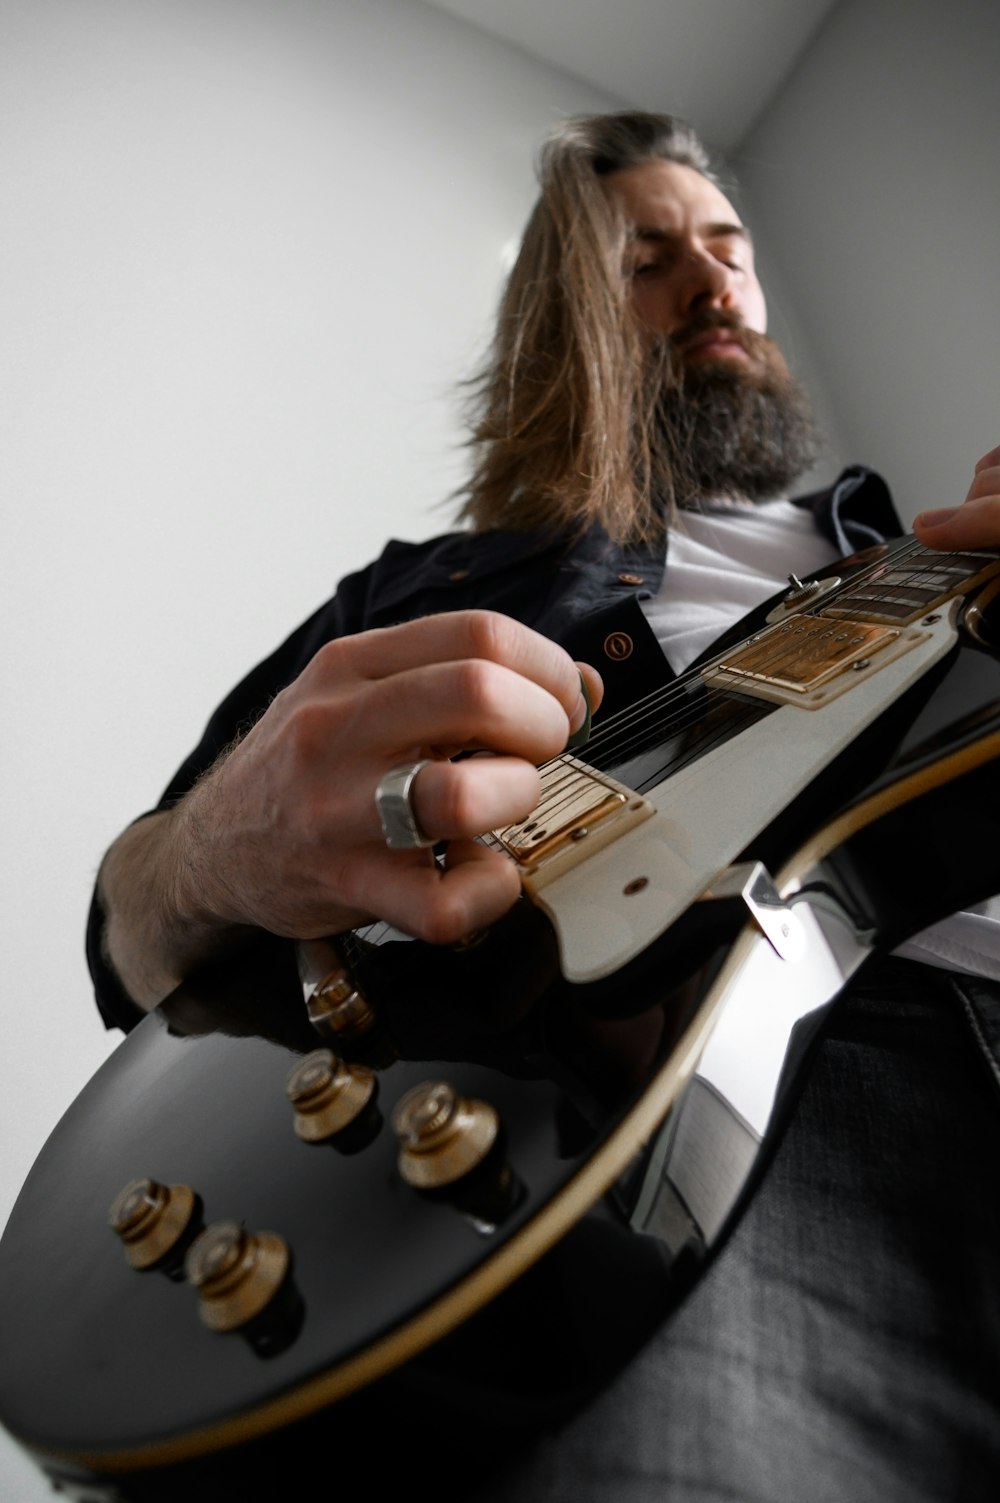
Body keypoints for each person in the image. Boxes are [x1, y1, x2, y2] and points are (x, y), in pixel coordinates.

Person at [89, 113, 1000, 1498]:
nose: (714, 283)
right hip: (726, 1104)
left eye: (731, 248)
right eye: (651, 256)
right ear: (564, 322)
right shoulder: (428, 589)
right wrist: (215, 846)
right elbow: (124, 932)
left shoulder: (902, 548)